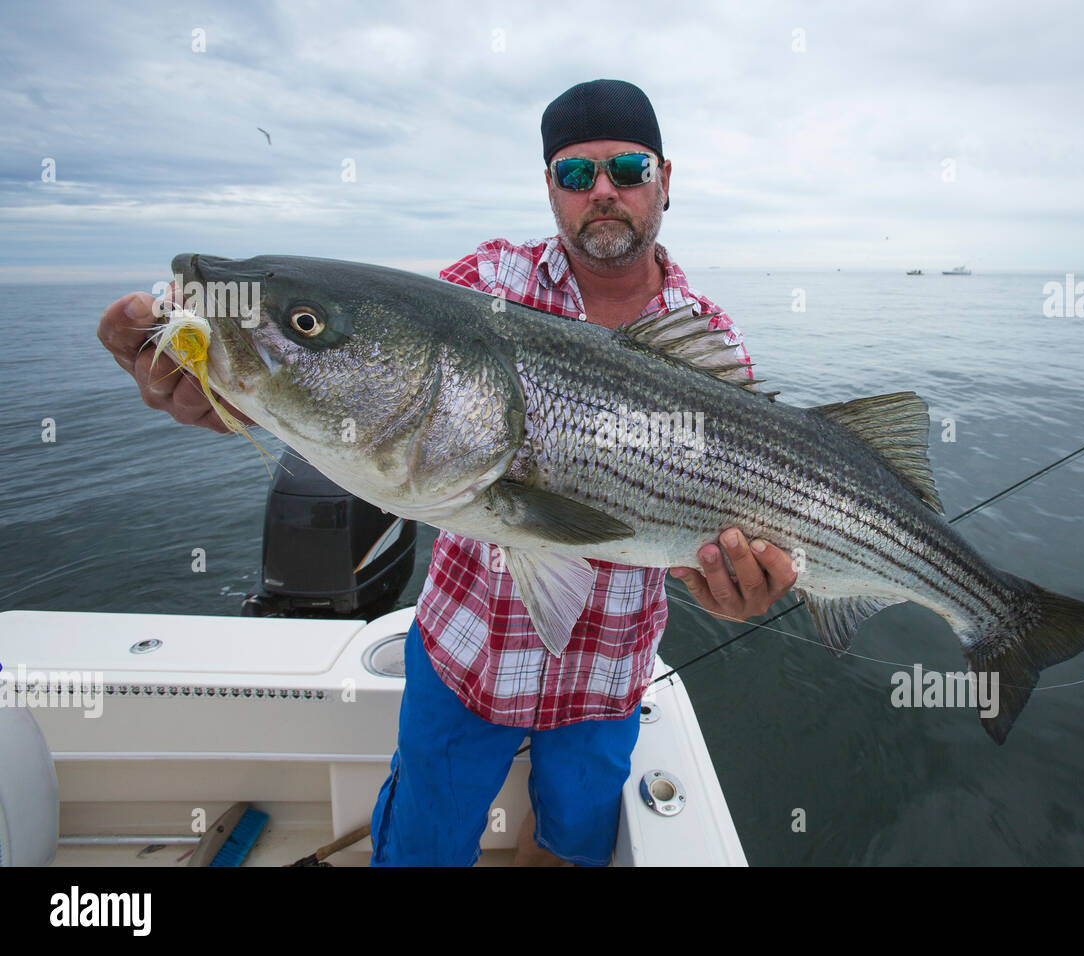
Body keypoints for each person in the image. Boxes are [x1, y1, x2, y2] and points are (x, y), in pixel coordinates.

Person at [96, 78, 798, 867]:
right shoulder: (488, 287)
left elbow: (726, 548)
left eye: (627, 170)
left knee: (571, 847)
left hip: (609, 678)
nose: (602, 192)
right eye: (575, 174)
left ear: (664, 180)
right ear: (550, 189)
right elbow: (367, 387)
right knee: (420, 851)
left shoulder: (711, 342)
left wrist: (740, 591)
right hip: (467, 659)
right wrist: (229, 396)